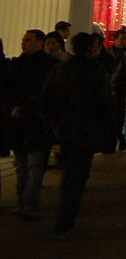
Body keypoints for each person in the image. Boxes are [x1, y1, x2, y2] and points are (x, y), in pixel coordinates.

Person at [39, 32, 117, 237]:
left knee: (70, 174)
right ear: (91, 48)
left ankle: (64, 217)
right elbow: (105, 103)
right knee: (78, 174)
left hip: (65, 128)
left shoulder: (61, 70)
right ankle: (67, 219)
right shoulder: (95, 71)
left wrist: (54, 124)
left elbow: (47, 99)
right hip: (86, 130)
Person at [2, 29, 59, 219]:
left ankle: (27, 202)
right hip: (25, 121)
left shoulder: (48, 66)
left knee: (31, 163)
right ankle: (24, 200)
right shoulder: (19, 64)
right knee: (23, 163)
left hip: (35, 122)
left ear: (39, 42)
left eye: (27, 40)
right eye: (23, 40)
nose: (23, 43)